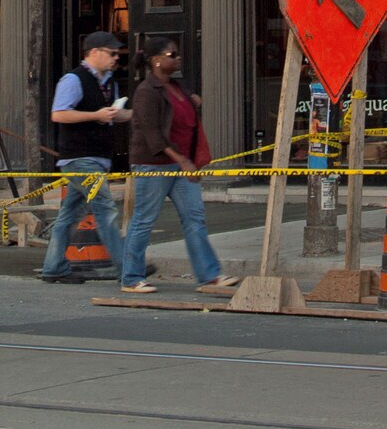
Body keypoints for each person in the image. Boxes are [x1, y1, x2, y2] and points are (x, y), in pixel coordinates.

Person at [117, 37, 239, 295]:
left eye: (177, 53)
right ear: (156, 60)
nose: (178, 57)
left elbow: (185, 122)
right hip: (155, 164)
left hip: (183, 164)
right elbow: (153, 136)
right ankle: (131, 277)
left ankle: (209, 275)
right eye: (172, 54)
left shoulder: (177, 87)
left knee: (195, 217)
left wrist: (194, 105)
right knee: (144, 220)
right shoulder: (146, 91)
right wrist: (182, 161)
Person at [38, 30, 129, 284]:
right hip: (79, 158)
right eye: (111, 53)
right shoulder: (73, 80)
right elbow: (59, 114)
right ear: (94, 52)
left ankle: (54, 267)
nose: (116, 58)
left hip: (97, 157)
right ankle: (127, 268)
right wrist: (95, 115)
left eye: (117, 54)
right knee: (105, 209)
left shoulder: (110, 82)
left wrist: (132, 114)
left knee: (69, 216)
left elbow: (112, 114)